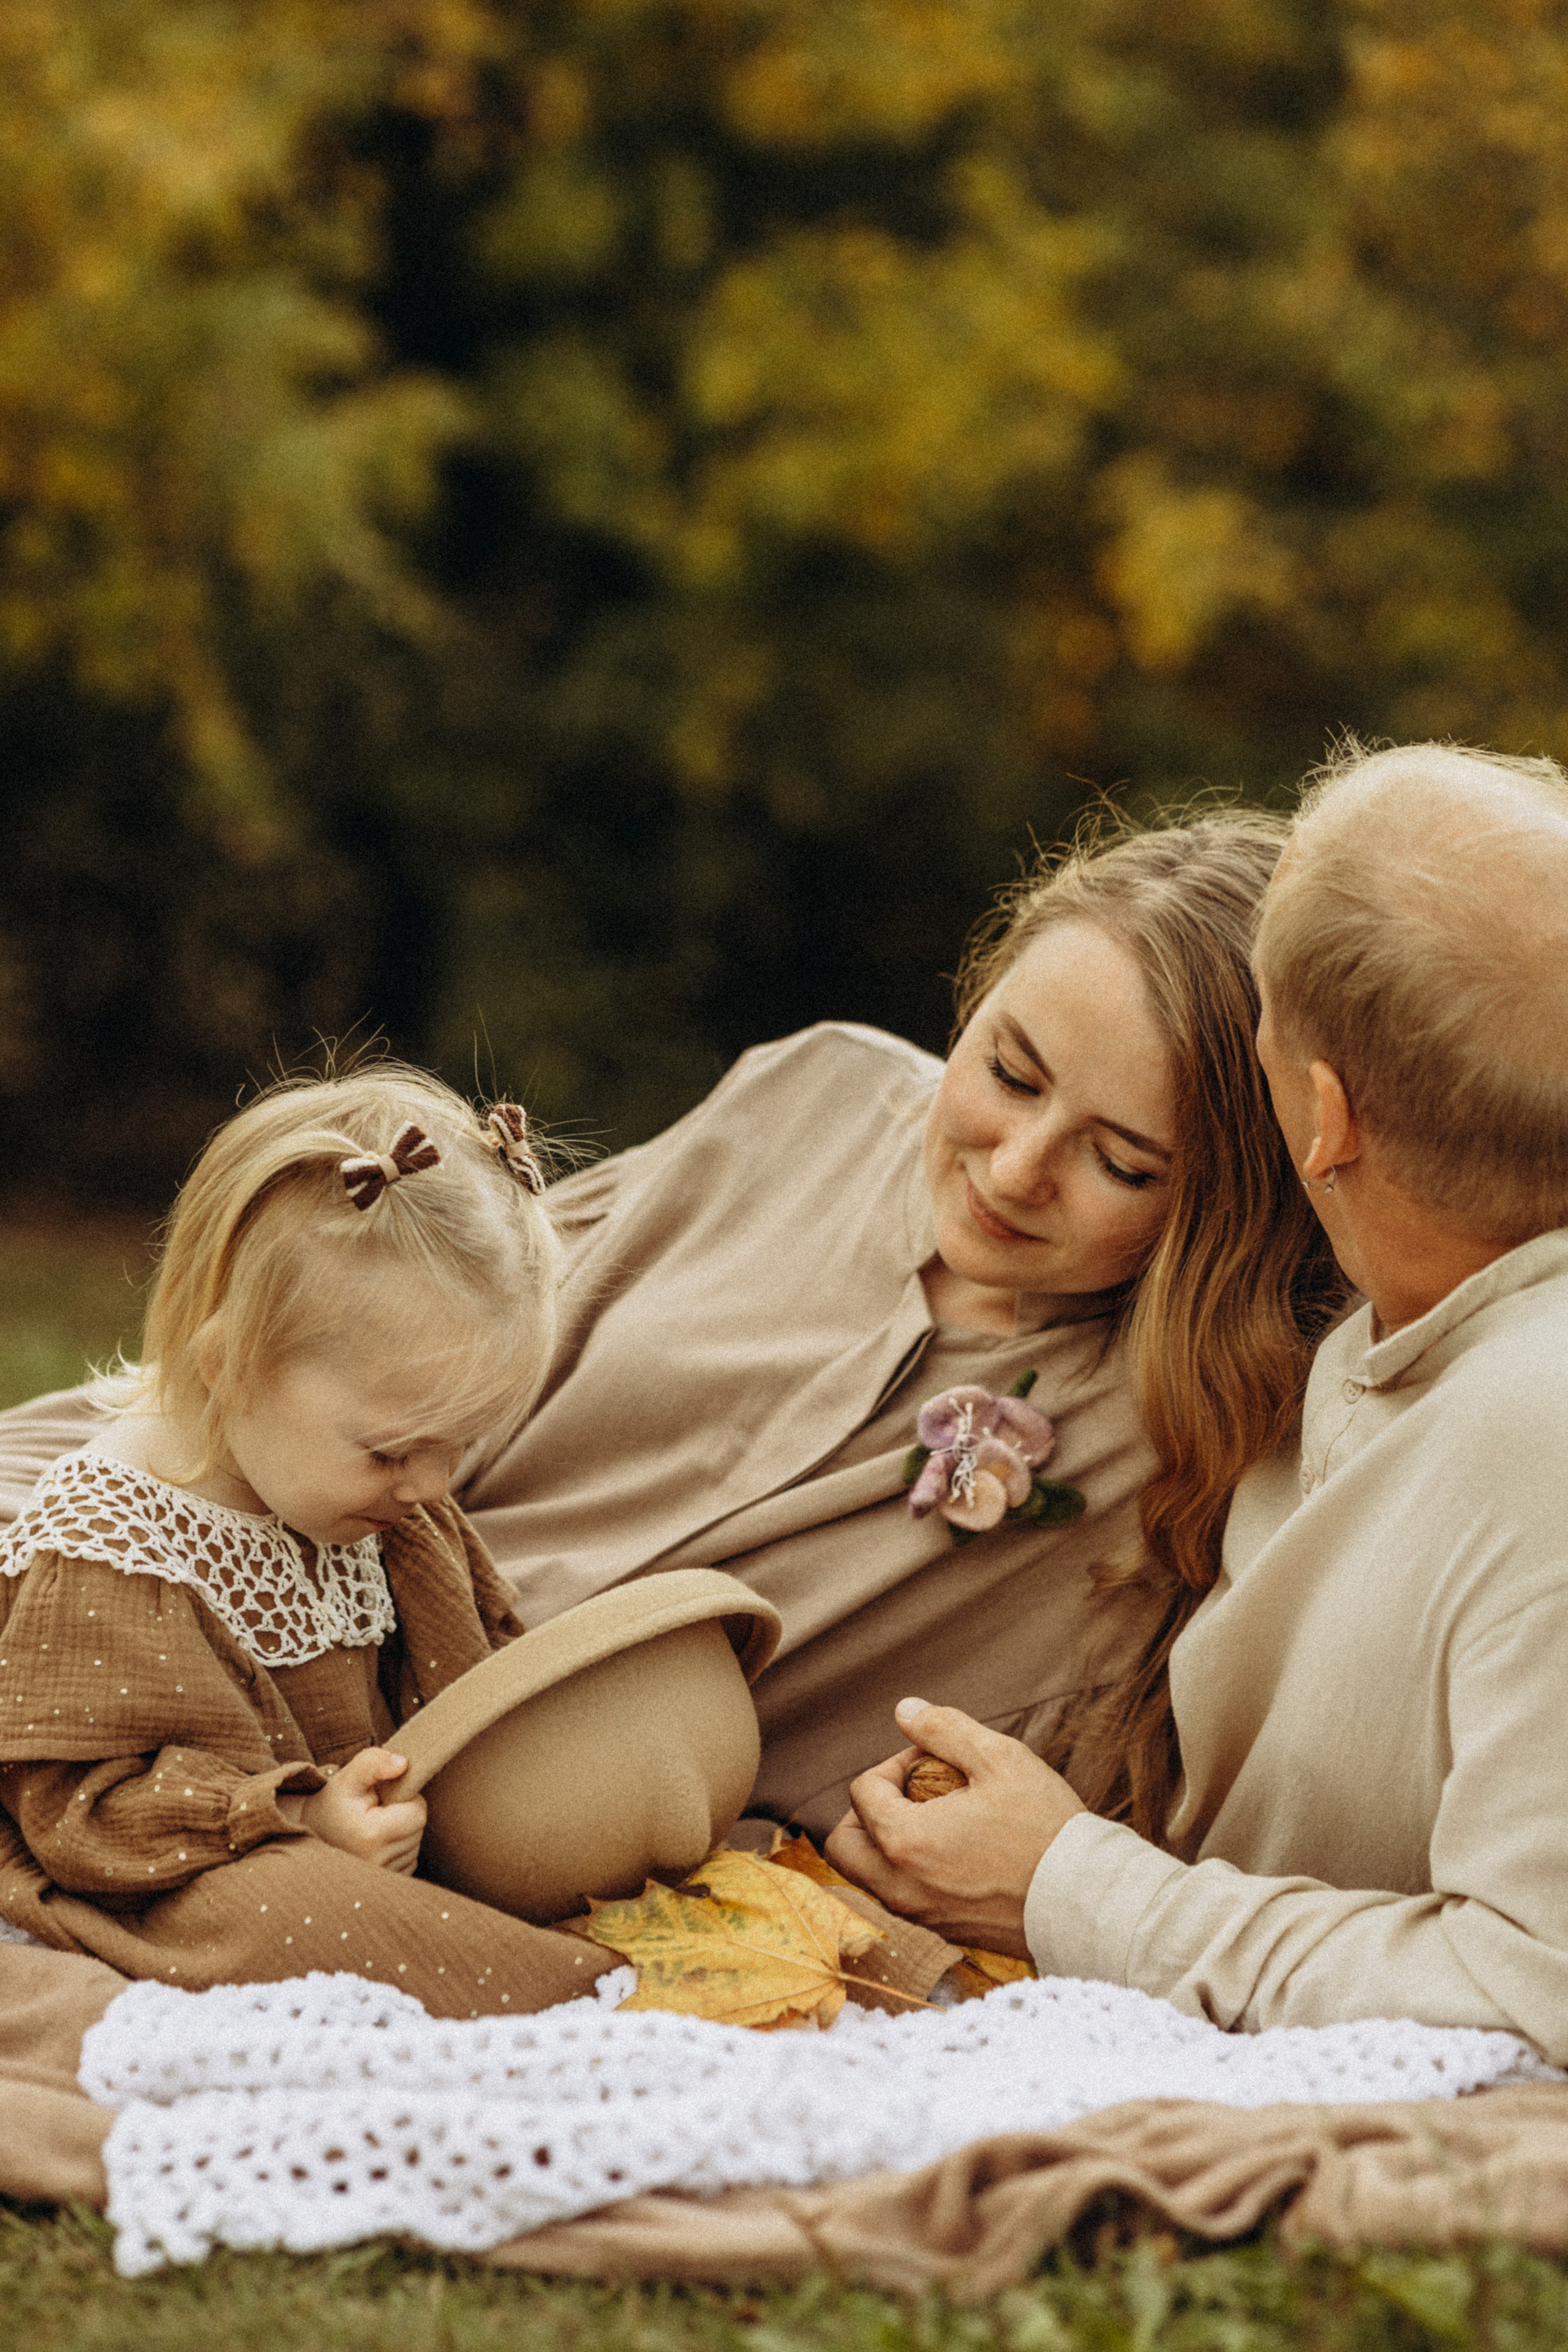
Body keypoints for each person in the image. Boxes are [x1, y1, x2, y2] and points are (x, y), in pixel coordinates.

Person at [0, 816, 1343, 1847]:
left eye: (1121, 1162)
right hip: (254, 1599)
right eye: (1006, 1072)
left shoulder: (1191, 1422)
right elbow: (398, 1328)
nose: (1013, 1170)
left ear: (1221, 1199)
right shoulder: (812, 1097)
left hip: (480, 1793)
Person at [826, 741, 1568, 2064]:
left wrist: (1067, 1885)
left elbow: (1536, 1991)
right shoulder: (1353, 1322)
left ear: (1325, 1121)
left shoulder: (1541, 1430)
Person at [0, 1070, 615, 2014]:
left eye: (460, 1447)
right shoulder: (112, 1545)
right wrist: (294, 1818)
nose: (430, 1486)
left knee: (583, 1806)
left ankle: (548, 1948)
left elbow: (473, 1662)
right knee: (301, 1915)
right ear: (231, 1367)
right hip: (176, 1866)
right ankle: (572, 2004)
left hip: (373, 1827)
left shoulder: (378, 1503)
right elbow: (79, 1810)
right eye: (395, 1449)